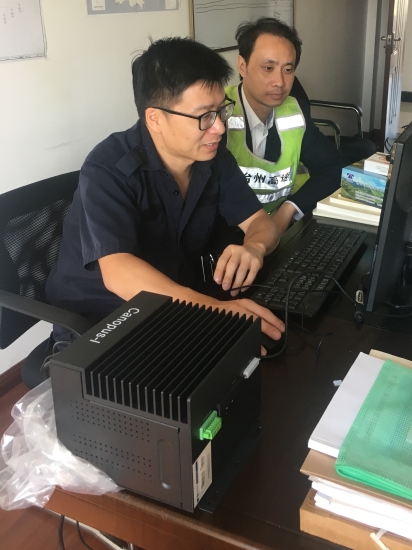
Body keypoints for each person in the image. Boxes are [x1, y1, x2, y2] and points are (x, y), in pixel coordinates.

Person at [46, 37, 285, 350]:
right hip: (101, 323)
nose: (219, 128)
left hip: (172, 304)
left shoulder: (212, 157)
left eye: (221, 110)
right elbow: (119, 272)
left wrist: (254, 247)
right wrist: (215, 314)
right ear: (155, 119)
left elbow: (260, 222)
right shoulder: (108, 168)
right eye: (204, 116)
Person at [225, 17, 343, 236]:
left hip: (282, 231)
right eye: (268, 68)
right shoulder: (217, 115)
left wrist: (288, 210)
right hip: (230, 238)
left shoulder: (294, 111)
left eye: (288, 69)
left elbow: (333, 168)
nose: (279, 81)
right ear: (242, 66)